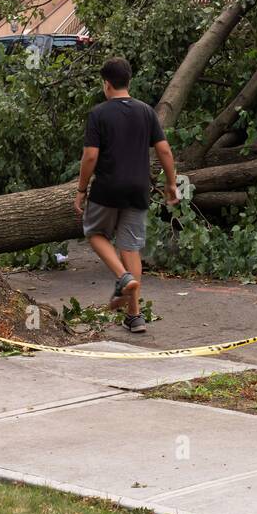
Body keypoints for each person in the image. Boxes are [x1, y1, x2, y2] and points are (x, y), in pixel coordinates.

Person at [74, 57, 179, 332]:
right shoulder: (146, 112)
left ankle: (122, 277)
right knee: (130, 246)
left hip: (107, 188)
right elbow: (165, 150)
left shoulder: (99, 113)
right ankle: (134, 315)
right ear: (128, 82)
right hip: (138, 188)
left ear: (106, 84)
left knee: (94, 233)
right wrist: (171, 184)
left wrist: (81, 189)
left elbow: (90, 156)